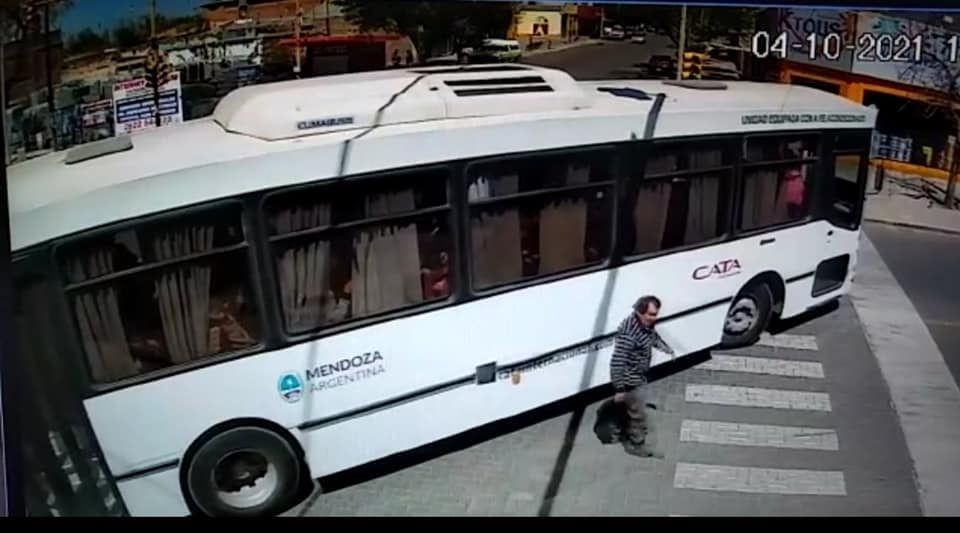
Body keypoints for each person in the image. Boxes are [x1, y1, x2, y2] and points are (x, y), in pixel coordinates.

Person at [610, 295, 675, 456]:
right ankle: (636, 444)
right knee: (637, 415)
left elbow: (653, 337)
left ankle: (628, 424)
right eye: (651, 314)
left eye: (656, 314)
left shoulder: (645, 325)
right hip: (630, 381)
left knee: (635, 408)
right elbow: (617, 362)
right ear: (640, 313)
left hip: (639, 376)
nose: (655, 318)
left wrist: (666, 349)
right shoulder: (629, 335)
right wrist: (619, 389)